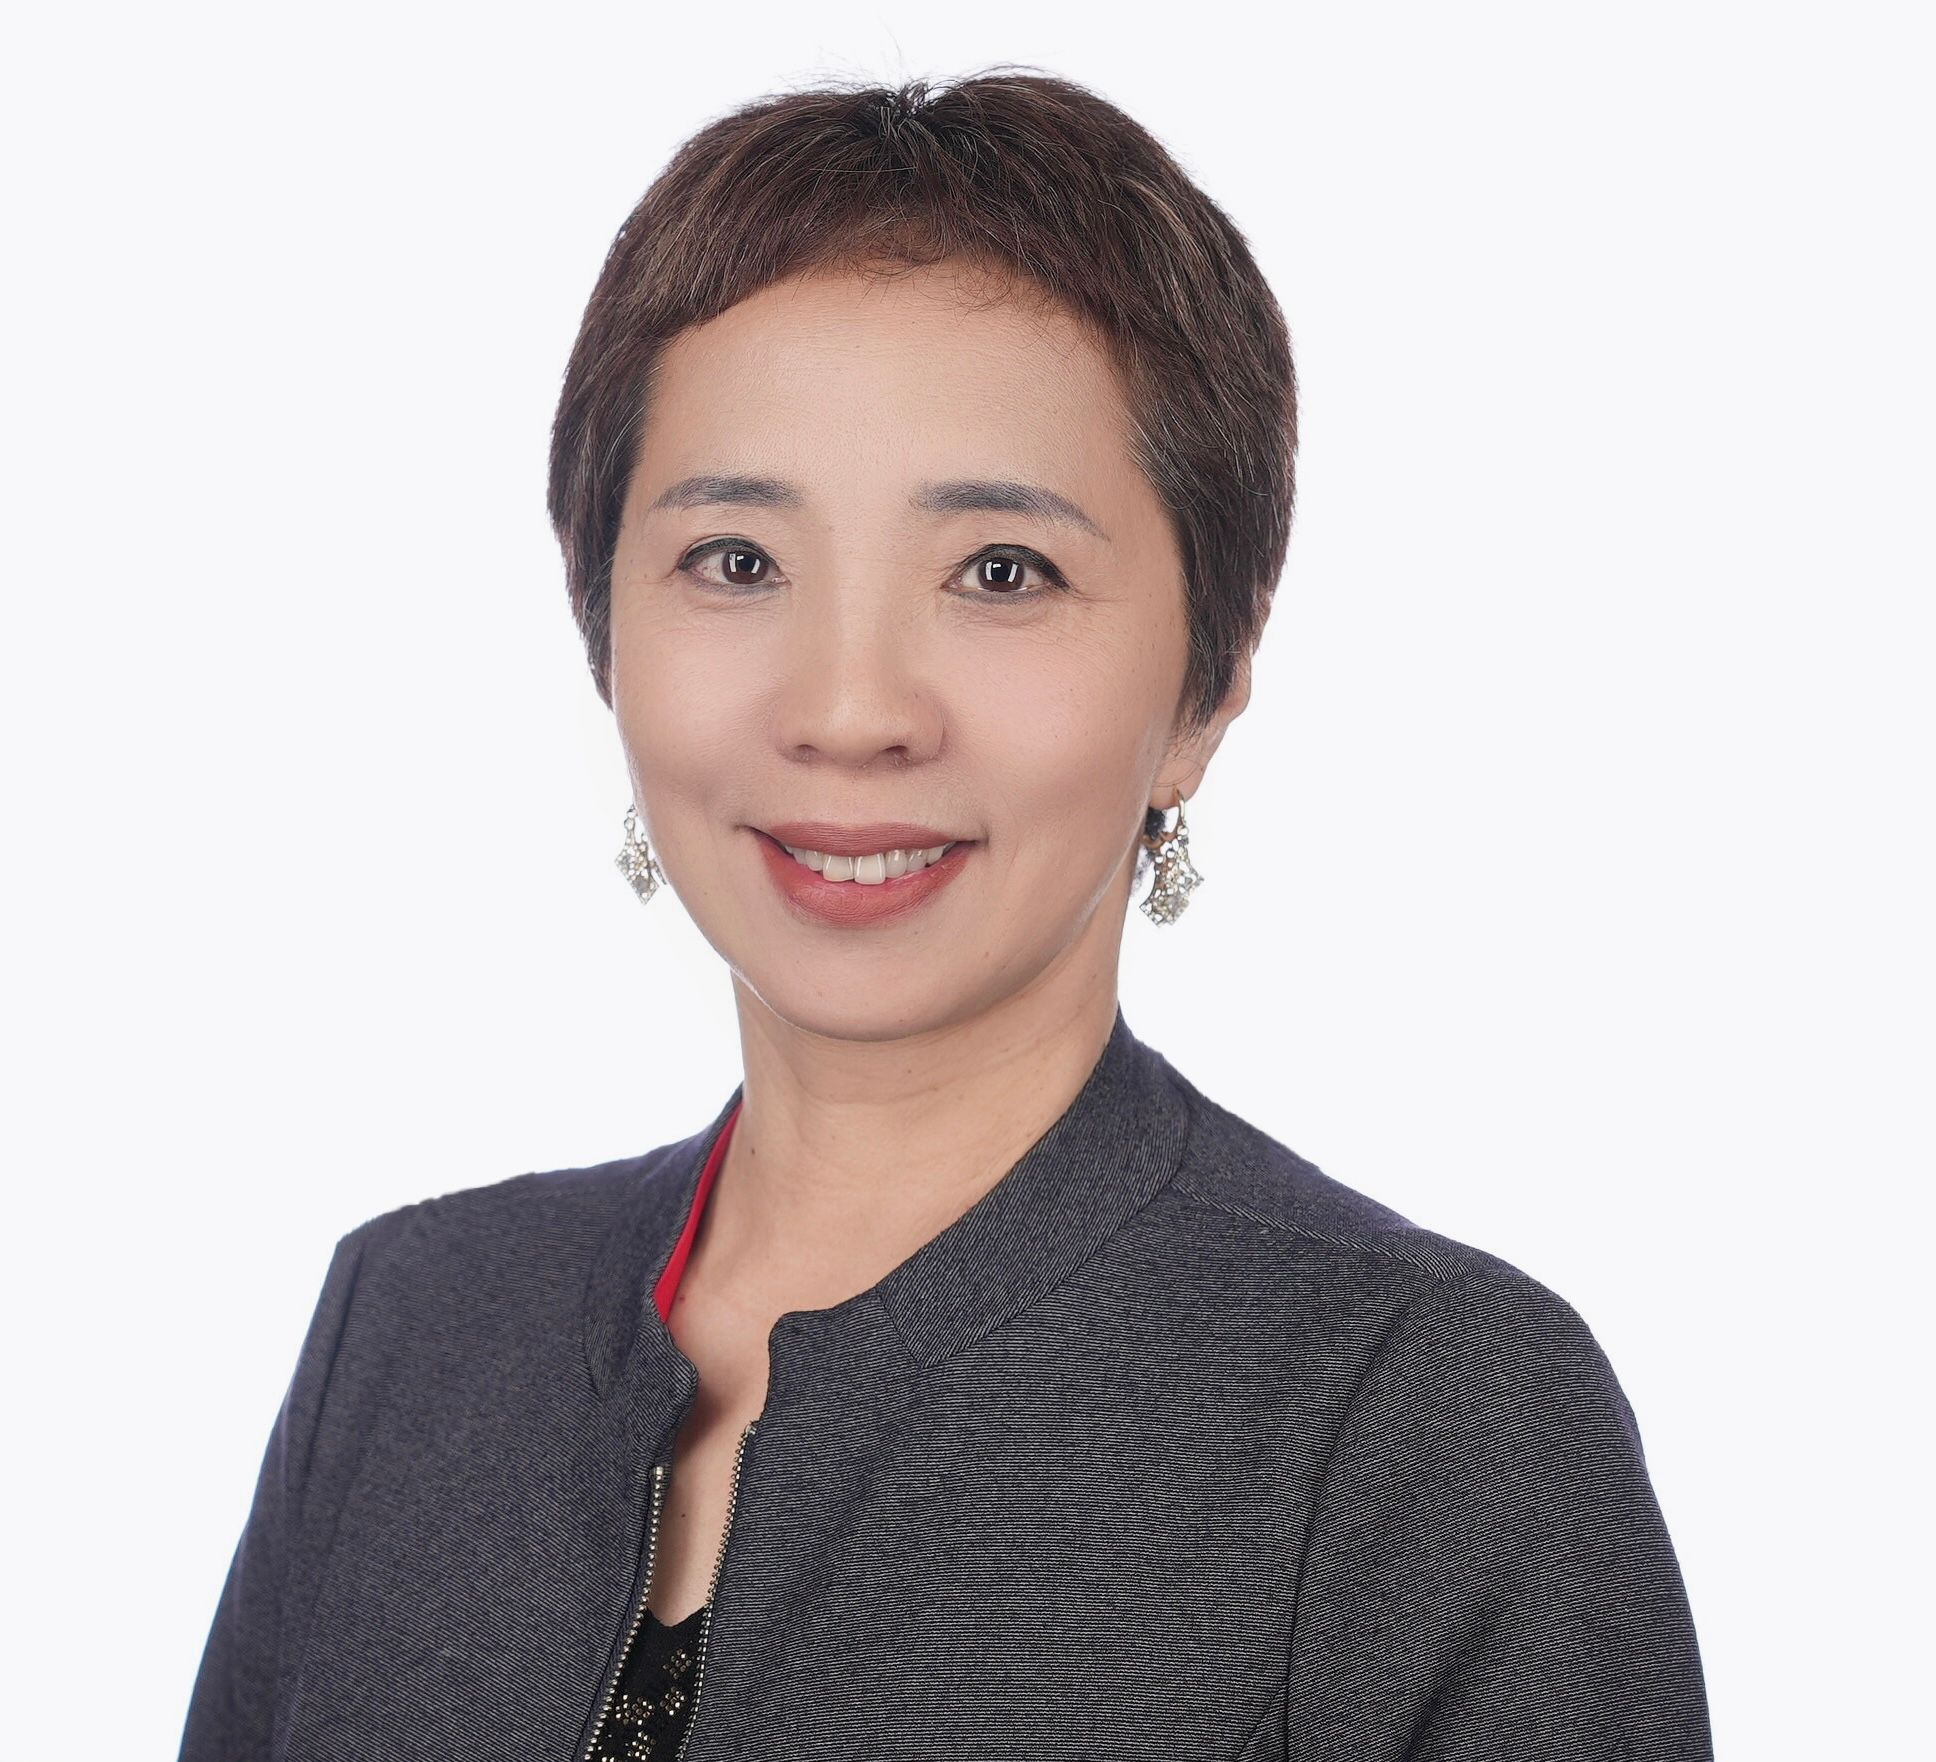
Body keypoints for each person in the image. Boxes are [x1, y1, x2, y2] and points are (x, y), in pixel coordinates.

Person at [179, 67, 1714, 1761]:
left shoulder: (1420, 1416)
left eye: (1001, 571)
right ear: (602, 628)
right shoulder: (413, 1326)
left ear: (1208, 681)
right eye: (737, 561)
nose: (850, 711)